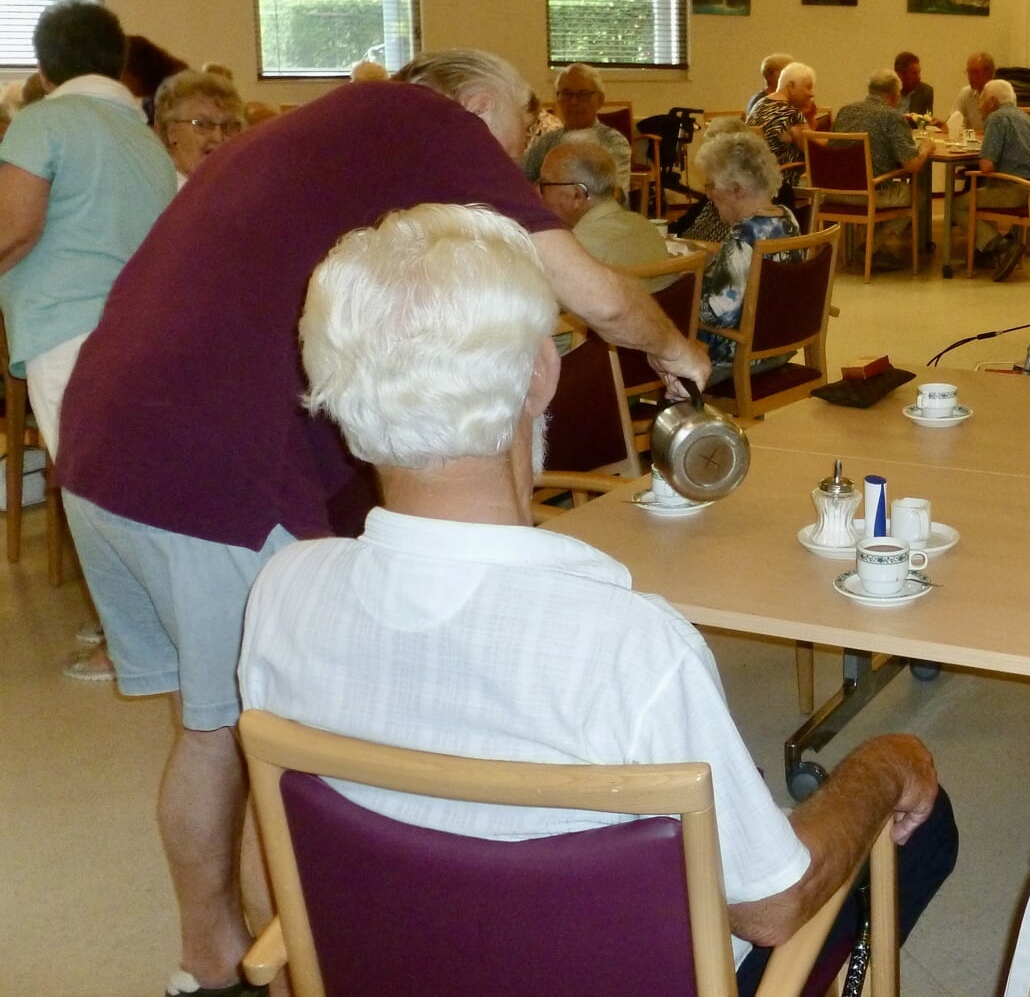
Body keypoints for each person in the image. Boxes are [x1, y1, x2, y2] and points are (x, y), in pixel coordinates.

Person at [56, 48, 708, 997]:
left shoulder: (326, 134)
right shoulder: (427, 124)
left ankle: (212, 958)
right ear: (482, 104)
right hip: (204, 468)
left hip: (102, 445)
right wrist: (679, 351)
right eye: (519, 138)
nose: (514, 172)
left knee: (207, 729)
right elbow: (599, 295)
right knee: (273, 740)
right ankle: (307, 962)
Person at [239, 202, 957, 994]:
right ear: (541, 374)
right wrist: (890, 762)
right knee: (920, 814)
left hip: (398, 966)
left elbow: (264, 869)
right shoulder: (631, 647)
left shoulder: (282, 591)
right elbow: (773, 908)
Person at [0, 1, 175, 685]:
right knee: (130, 481)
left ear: (45, 68)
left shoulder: (44, 119)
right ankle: (138, 622)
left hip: (67, 325)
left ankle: (129, 641)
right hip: (140, 325)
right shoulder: (142, 132)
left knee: (94, 490)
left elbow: (14, 229)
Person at [695, 120, 805, 374]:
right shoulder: (786, 218)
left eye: (711, 185)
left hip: (736, 356)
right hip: (778, 345)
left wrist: (684, 286)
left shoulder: (743, 237)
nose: (709, 195)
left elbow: (717, 314)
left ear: (737, 189)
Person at [830, 69, 934, 273]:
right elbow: (911, 165)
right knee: (917, 194)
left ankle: (871, 245)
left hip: (835, 190)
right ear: (895, 94)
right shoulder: (892, 117)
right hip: (869, 193)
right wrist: (926, 149)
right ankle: (871, 247)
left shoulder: (845, 111)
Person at [536, 132, 673, 286]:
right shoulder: (649, 230)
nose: (537, 194)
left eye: (543, 185)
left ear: (577, 196)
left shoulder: (575, 251)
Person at [967, 79, 1030, 283]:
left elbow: (986, 166)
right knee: (983, 192)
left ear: (992, 101)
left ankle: (1002, 245)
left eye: (981, 100)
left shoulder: (997, 118)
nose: (979, 105)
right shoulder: (1028, 119)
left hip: (1014, 190)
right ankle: (987, 251)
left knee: (959, 204)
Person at [522, 63, 632, 198]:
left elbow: (615, 194)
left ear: (600, 100)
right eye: (567, 94)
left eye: (583, 94)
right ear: (558, 99)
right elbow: (521, 179)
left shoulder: (613, 142)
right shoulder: (546, 142)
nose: (574, 102)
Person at [153, 70, 245, 187]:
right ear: (172, 132)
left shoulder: (237, 187)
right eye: (203, 124)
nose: (218, 137)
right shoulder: (163, 195)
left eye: (230, 125)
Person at [746, 61, 823, 169]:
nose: (812, 93)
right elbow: (814, 149)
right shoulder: (791, 113)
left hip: (763, 176)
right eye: (808, 87)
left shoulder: (759, 104)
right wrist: (840, 141)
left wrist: (809, 118)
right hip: (789, 176)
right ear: (791, 86)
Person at [954, 51, 994, 133]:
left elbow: (997, 132)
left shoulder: (1000, 95)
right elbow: (954, 121)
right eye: (969, 72)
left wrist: (969, 133)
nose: (970, 77)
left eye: (975, 72)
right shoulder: (966, 93)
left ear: (989, 73)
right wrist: (945, 125)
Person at [892, 50, 933, 116]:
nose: (919, 77)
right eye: (914, 74)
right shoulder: (886, 91)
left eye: (919, 73)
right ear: (900, 75)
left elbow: (927, 121)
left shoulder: (926, 92)